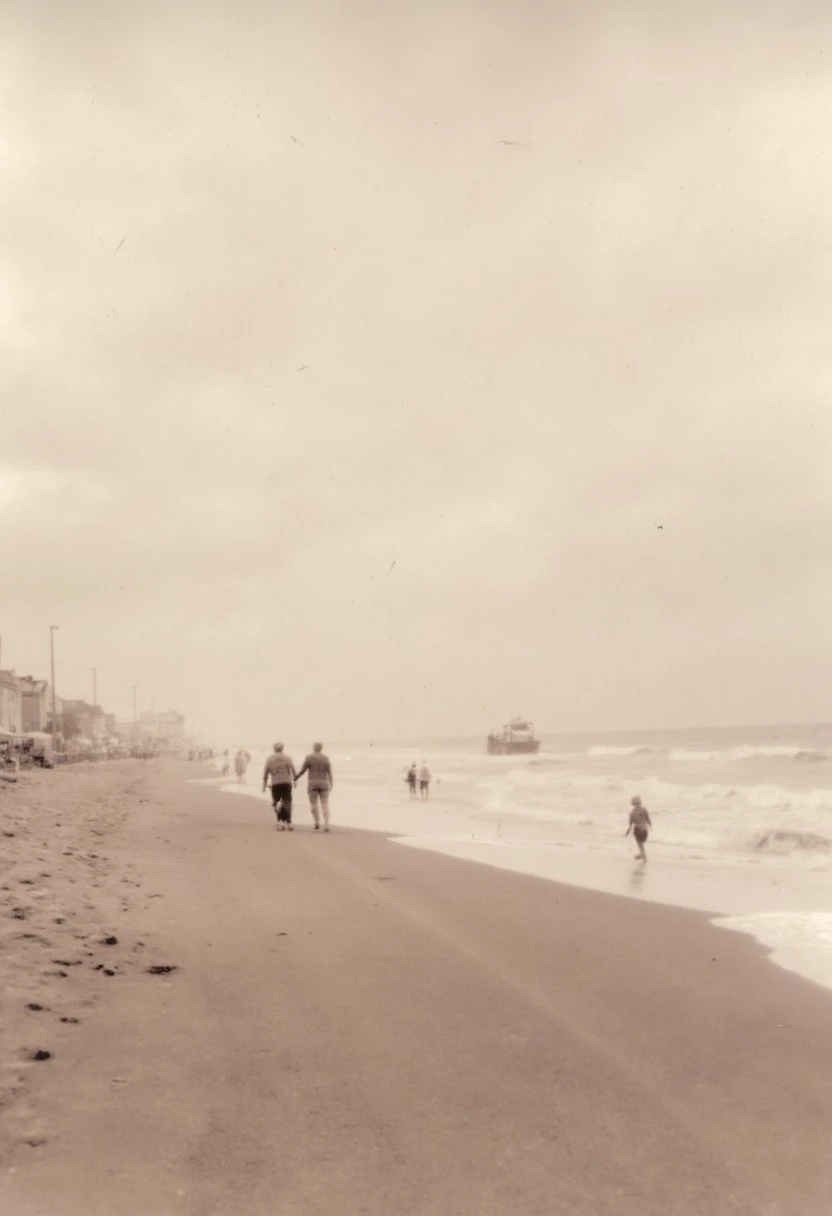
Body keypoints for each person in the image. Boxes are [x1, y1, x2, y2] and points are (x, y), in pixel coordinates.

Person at [295, 742, 333, 832]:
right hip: (324, 782)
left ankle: (317, 822)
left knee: (314, 804)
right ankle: (327, 824)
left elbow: (303, 770)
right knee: (325, 804)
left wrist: (296, 777)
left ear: (314, 748)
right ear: (321, 748)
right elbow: (329, 772)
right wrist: (331, 783)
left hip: (312, 783)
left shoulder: (309, 757)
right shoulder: (325, 758)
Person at [262, 743, 297, 830]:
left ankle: (281, 822)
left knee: (276, 802)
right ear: (282, 749)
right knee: (287, 802)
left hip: (275, 784)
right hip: (286, 783)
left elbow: (265, 773)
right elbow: (293, 770)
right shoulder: (288, 758)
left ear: (274, 749)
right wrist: (295, 781)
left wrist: (264, 784)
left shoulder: (269, 759)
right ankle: (289, 823)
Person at [625, 795, 652, 862]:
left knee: (640, 844)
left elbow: (631, 823)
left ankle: (643, 857)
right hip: (645, 830)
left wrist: (628, 831)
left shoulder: (632, 812)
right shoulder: (644, 809)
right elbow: (648, 819)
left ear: (632, 803)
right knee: (641, 844)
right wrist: (650, 826)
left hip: (638, 830)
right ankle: (641, 855)